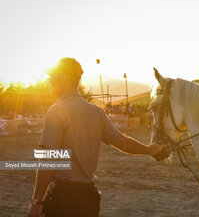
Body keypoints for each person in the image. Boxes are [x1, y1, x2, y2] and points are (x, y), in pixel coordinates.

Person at [27, 58, 169, 217]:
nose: (49, 81)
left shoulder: (56, 111)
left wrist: (36, 201)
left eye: (52, 77)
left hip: (64, 198)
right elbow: (122, 142)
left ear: (64, 78)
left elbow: (47, 159)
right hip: (89, 198)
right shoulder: (95, 112)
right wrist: (149, 150)